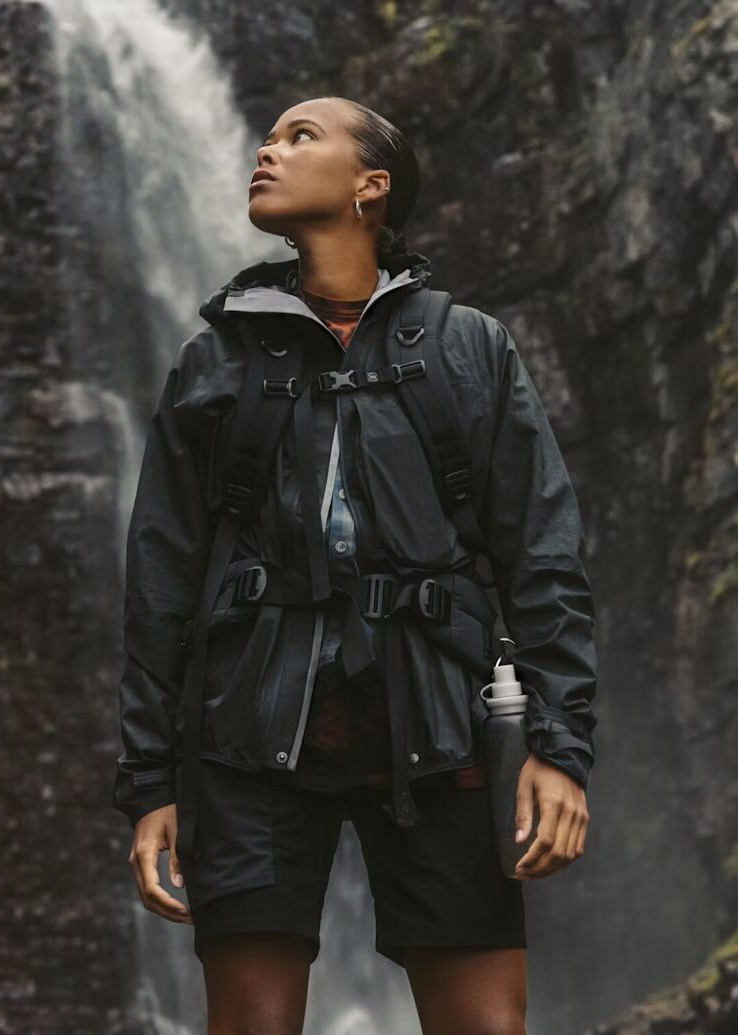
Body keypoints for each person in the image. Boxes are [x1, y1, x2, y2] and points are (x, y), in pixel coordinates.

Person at [112, 95, 598, 1034]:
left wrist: (559, 747)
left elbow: (542, 554)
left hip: (447, 726)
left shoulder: (469, 347)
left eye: (301, 135)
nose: (268, 148)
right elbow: (161, 579)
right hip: (246, 739)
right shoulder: (214, 360)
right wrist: (151, 785)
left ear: (370, 185)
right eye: (268, 135)